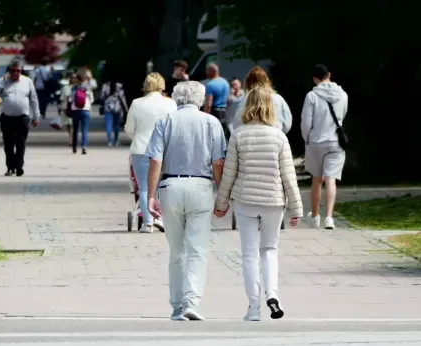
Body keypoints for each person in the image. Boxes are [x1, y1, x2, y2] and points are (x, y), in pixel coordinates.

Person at [215, 87, 303, 321]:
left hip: (245, 201)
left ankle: (253, 307)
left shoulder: (238, 135)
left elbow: (229, 173)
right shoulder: (279, 137)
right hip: (273, 202)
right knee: (270, 250)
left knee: (249, 254)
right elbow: (288, 176)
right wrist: (296, 208)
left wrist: (221, 202)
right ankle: (272, 294)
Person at [145, 81, 226, 321]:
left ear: (177, 98)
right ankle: (192, 301)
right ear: (200, 99)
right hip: (201, 185)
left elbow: (155, 161)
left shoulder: (165, 121)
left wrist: (150, 195)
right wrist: (223, 194)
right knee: (197, 249)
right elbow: (218, 162)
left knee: (176, 250)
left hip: (171, 186)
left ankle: (177, 305)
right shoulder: (212, 123)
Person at [124, 72, 177, 233]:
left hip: (140, 148)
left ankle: (148, 222)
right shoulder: (170, 104)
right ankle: (161, 218)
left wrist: (137, 137)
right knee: (162, 185)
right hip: (164, 149)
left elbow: (129, 128)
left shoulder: (137, 103)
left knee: (144, 187)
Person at [301, 64, 348, 230]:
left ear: (315, 79)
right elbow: (341, 116)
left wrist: (306, 138)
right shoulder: (343, 95)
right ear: (329, 74)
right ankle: (329, 217)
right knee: (331, 179)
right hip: (335, 141)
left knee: (317, 179)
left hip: (316, 142)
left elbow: (306, 122)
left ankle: (314, 216)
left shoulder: (312, 96)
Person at [0, 60, 40, 176]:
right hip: (7, 118)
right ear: (9, 71)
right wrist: (3, 82)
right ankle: (10, 167)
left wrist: (36, 116)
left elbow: (34, 100)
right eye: (13, 71)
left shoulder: (27, 81)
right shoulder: (2, 81)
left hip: (22, 118)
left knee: (20, 143)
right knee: (8, 144)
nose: (15, 73)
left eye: (18, 71)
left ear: (21, 71)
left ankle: (19, 167)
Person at [232, 66, 292, 134]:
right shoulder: (278, 99)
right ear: (267, 81)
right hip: (274, 137)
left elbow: (236, 124)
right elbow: (287, 122)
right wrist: (280, 134)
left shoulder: (245, 100)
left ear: (248, 82)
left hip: (250, 139)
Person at [69, 72, 94, 154]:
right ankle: (84, 147)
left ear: (77, 79)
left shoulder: (74, 88)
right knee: (85, 130)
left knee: (75, 130)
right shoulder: (88, 88)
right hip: (85, 110)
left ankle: (74, 147)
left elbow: (70, 99)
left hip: (76, 110)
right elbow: (92, 100)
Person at [203, 63, 230, 140]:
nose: (206, 73)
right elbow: (228, 99)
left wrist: (205, 116)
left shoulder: (210, 85)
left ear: (212, 71)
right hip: (224, 112)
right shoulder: (225, 82)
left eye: (207, 71)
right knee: (223, 134)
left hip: (214, 112)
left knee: (213, 136)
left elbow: (208, 104)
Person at [101, 81, 128, 147]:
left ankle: (109, 141)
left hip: (108, 108)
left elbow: (101, 97)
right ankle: (116, 140)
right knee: (116, 125)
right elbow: (122, 98)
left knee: (108, 125)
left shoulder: (105, 86)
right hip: (117, 108)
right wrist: (126, 108)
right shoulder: (119, 86)